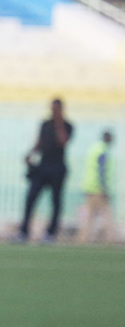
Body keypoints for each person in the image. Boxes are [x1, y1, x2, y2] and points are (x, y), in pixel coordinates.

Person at [14, 98, 73, 244]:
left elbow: (63, 141)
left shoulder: (67, 125)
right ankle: (24, 231)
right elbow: (40, 142)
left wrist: (59, 122)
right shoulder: (45, 124)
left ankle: (51, 233)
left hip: (58, 167)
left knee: (56, 201)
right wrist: (30, 154)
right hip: (43, 166)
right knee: (31, 198)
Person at [77, 130, 115, 244]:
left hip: (89, 187)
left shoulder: (94, 149)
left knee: (89, 215)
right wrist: (104, 188)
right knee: (106, 214)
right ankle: (108, 240)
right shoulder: (102, 151)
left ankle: (83, 239)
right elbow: (101, 170)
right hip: (98, 188)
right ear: (108, 138)